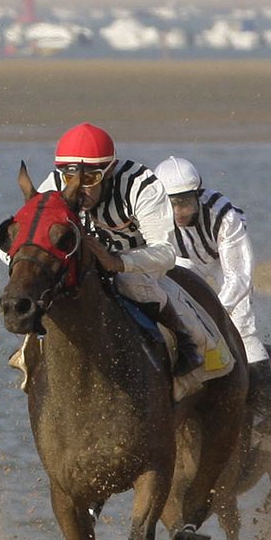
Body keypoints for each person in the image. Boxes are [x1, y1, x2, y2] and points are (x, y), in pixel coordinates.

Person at [38, 124, 214, 374]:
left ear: (108, 171)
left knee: (130, 283)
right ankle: (30, 355)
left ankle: (187, 344)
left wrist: (117, 262)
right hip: (85, 263)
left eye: (89, 179)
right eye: (70, 176)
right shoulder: (54, 184)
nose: (77, 187)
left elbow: (165, 253)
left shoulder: (140, 186)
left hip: (138, 263)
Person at [156, 156, 271, 440]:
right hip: (181, 269)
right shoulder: (153, 219)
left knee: (242, 325)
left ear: (199, 195)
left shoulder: (224, 215)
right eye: (173, 204)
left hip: (221, 271)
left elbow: (239, 275)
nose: (179, 212)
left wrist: (215, 312)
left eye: (186, 202)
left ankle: (269, 410)